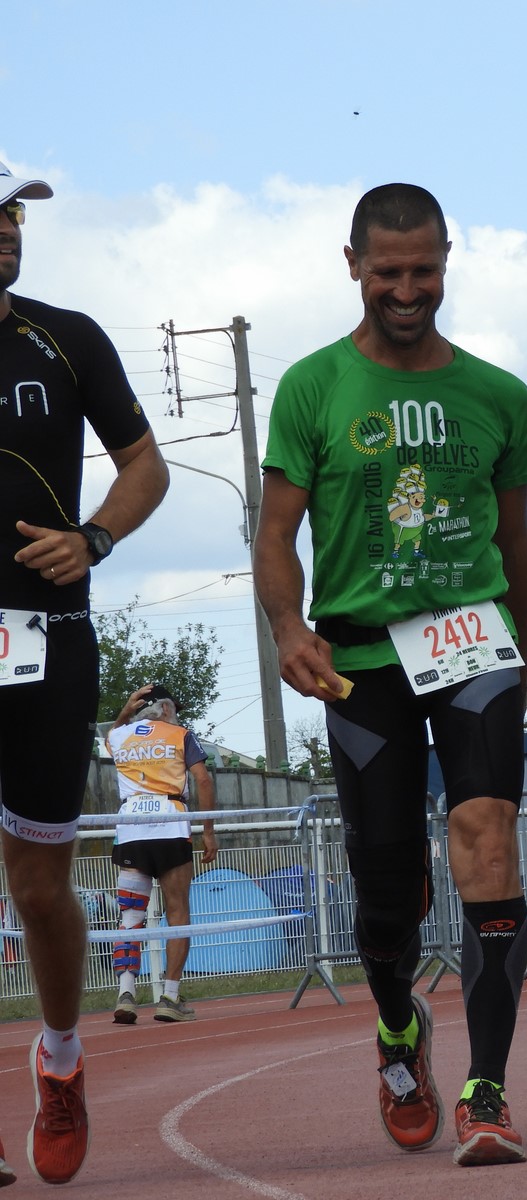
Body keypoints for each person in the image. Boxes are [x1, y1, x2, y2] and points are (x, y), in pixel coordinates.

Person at [255, 183, 527, 1166]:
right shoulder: (311, 386)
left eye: (425, 270)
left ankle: (487, 1091)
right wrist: (289, 627)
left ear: (448, 260)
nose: (408, 290)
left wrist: (523, 654)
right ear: (353, 267)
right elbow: (275, 534)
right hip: (359, 657)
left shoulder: (499, 394)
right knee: (385, 890)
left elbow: (517, 544)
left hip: (472, 642)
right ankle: (396, 1029)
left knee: (487, 840)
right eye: (388, 273)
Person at [0, 160, 169, 1186]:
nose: (7, 230)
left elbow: (145, 464)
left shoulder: (67, 337)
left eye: (12, 214)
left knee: (39, 885)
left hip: (47, 640)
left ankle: (60, 1057)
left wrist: (95, 537)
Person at [106, 683, 217, 1024]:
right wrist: (208, 831)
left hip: (131, 828)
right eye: (175, 709)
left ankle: (126, 993)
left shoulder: (121, 736)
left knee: (130, 916)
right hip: (171, 825)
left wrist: (125, 710)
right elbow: (203, 780)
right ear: (166, 709)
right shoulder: (181, 735)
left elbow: (111, 735)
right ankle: (169, 996)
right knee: (178, 912)